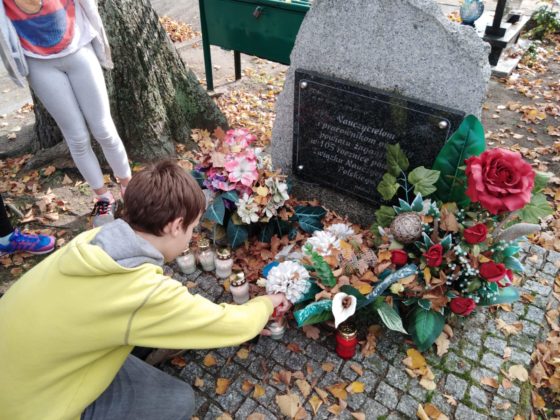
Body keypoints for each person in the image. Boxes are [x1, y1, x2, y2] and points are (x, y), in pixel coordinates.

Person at [0, 160, 290, 420]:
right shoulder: (140, 292)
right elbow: (230, 324)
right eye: (192, 228)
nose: (192, 237)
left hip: (20, 365)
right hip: (32, 407)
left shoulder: (93, 239)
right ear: (175, 226)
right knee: (177, 401)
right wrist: (266, 303)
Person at [0, 0, 132, 226]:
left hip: (78, 49)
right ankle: (103, 198)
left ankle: (129, 189)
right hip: (39, 63)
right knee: (77, 138)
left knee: (104, 130)